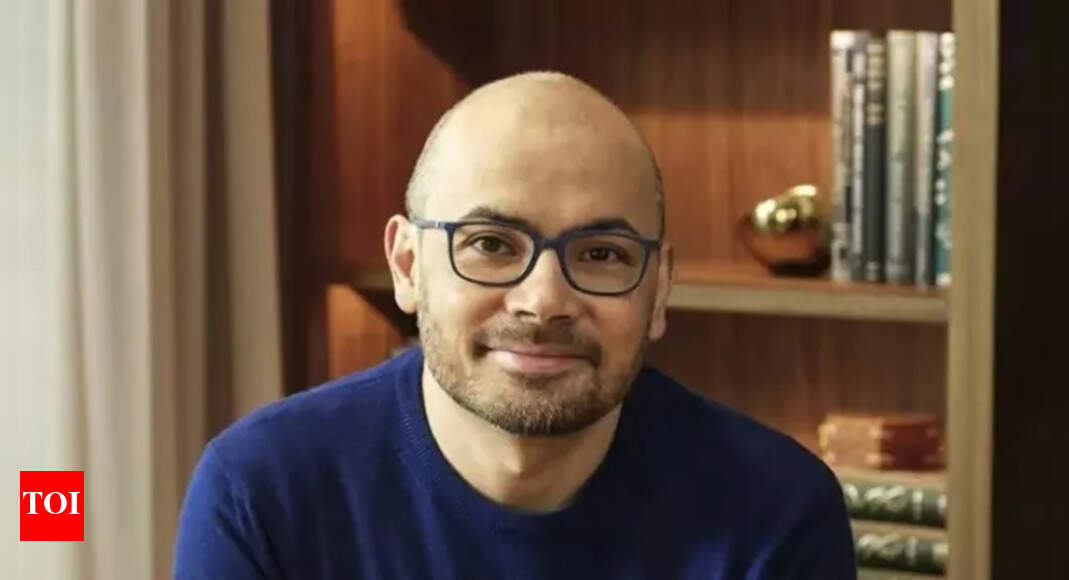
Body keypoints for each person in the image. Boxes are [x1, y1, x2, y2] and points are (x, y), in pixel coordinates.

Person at [174, 72, 855, 579]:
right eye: (491, 244)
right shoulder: (263, 494)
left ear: (658, 289)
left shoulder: (776, 513)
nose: (544, 300)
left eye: (601, 254)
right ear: (408, 266)